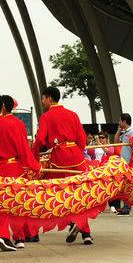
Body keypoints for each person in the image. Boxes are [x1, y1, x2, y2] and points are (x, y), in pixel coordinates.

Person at [0, 92, 41, 252]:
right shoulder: (14, 124)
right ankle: (18, 237)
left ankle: (2, 235)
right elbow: (24, 150)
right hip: (14, 168)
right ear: (3, 107)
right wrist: (35, 166)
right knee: (16, 203)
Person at [33, 86, 94, 245]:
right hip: (77, 157)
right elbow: (82, 139)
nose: (42, 101)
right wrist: (76, 150)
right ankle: (86, 233)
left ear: (49, 98)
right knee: (80, 193)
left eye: (43, 98)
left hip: (59, 158)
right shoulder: (73, 114)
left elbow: (40, 140)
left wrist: (34, 155)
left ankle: (73, 222)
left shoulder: (47, 116)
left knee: (58, 194)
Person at [114, 113, 133, 215]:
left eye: (120, 120)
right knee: (126, 186)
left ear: (124, 121)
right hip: (124, 162)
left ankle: (129, 207)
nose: (119, 122)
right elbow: (115, 143)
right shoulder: (124, 133)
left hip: (130, 163)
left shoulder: (132, 133)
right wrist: (119, 131)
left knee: (130, 186)